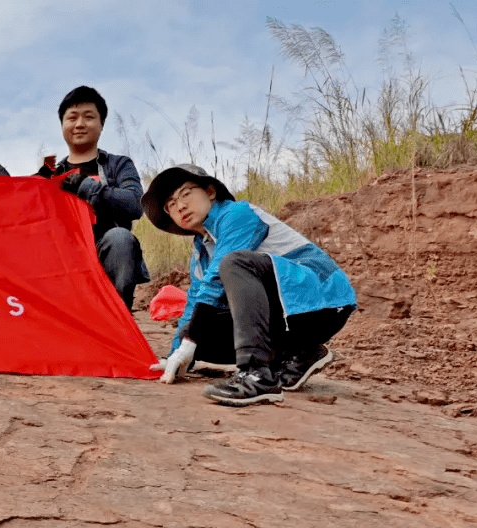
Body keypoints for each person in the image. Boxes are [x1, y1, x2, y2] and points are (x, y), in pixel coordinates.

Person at [143, 164, 357, 406]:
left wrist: (190, 341)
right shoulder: (201, 252)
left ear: (210, 192)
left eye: (186, 194)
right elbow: (194, 304)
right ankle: (301, 352)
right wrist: (177, 355)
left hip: (321, 300)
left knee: (233, 264)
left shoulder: (236, 214)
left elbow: (217, 279)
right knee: (193, 330)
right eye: (171, 204)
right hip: (286, 315)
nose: (180, 206)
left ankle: (258, 376)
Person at [37, 85, 149, 311]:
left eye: (88, 117)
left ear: (101, 125)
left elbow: (135, 204)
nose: (79, 124)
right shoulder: (48, 173)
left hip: (105, 251)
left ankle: (119, 326)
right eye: (72, 118)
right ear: (63, 125)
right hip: (62, 256)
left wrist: (86, 187)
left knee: (120, 238)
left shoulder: (118, 165)